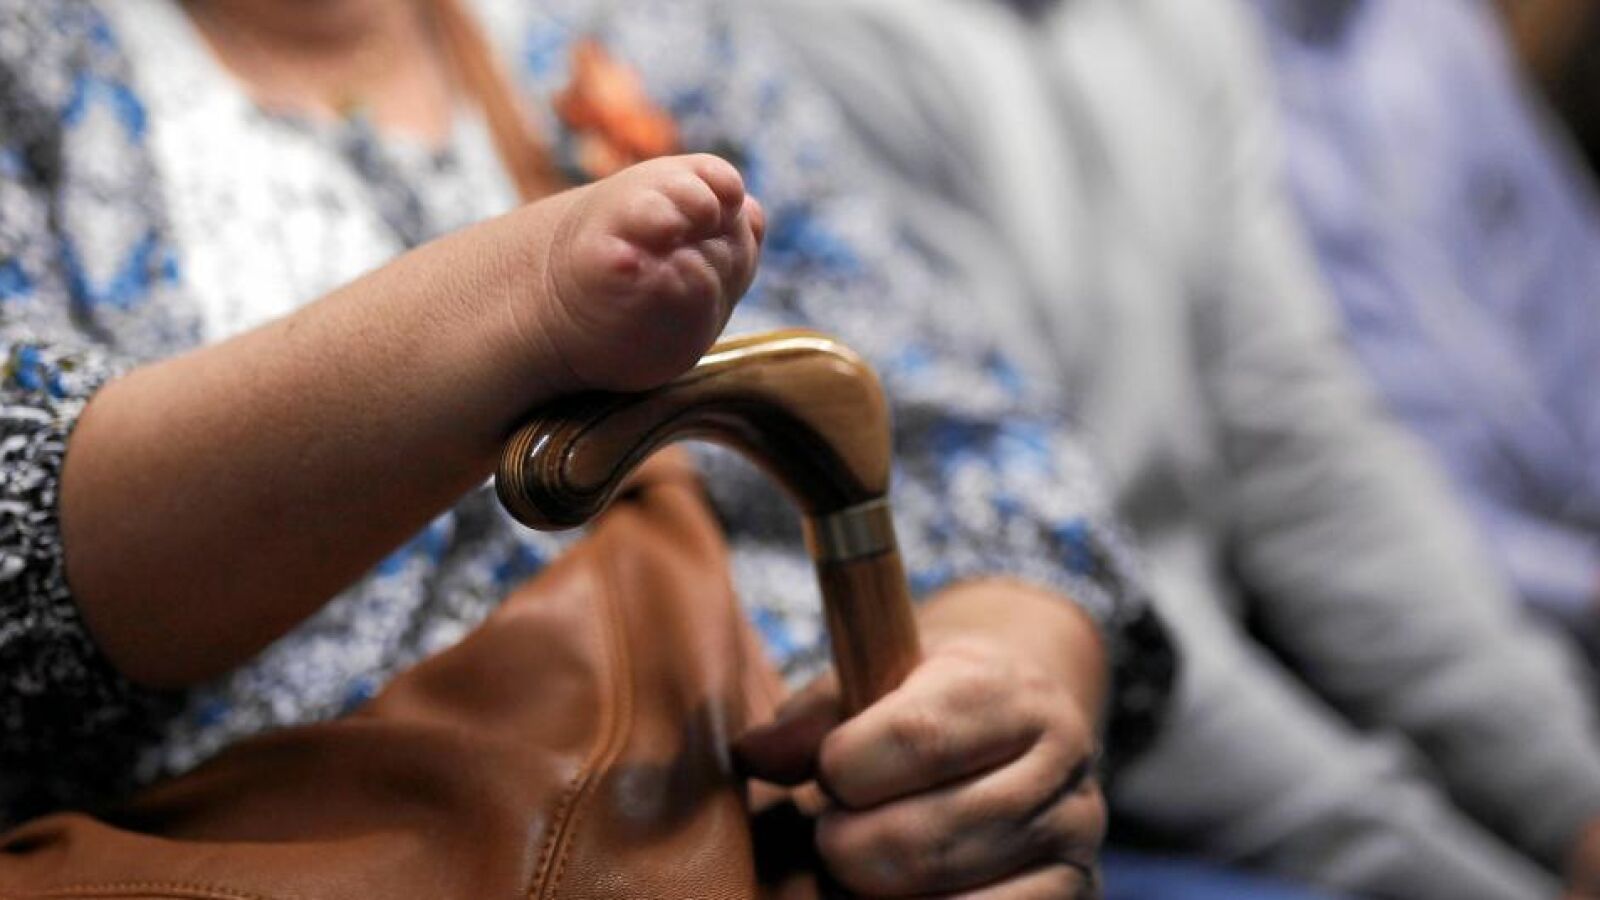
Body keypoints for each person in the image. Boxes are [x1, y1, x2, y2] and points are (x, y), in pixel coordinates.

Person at [0, 0, 1174, 894]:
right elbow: (26, 547)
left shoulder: (639, 30)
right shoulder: (39, 60)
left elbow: (990, 440)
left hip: (822, 819)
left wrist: (982, 719)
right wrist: (513, 310)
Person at [763, 0, 1600, 895]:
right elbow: (1057, 558)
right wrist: (1455, 873)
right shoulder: (814, 42)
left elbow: (1307, 451)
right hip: (1079, 756)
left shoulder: (1184, 23)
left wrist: (1573, 810)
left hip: (1195, 702)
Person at [1251, 0, 1600, 657]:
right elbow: (1294, 466)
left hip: (1567, 547)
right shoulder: (1200, 64)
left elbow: (1570, 285)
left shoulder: (1429, 26)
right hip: (1426, 602)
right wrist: (1575, 583)